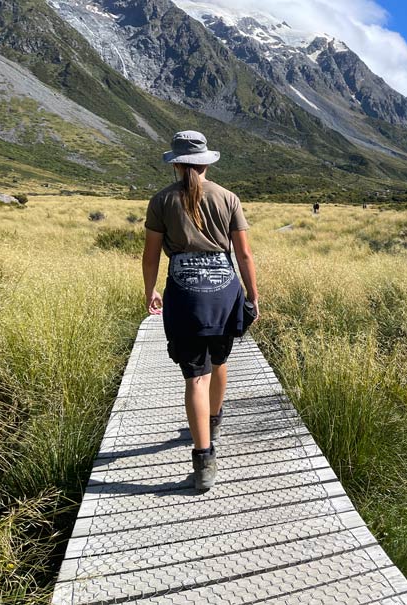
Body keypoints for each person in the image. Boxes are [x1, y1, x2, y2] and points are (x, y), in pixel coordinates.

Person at [142, 130, 259, 491]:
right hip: (225, 294)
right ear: (207, 161)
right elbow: (243, 255)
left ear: (176, 163)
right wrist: (253, 296)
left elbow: (150, 256)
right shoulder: (228, 198)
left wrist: (150, 292)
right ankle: (214, 418)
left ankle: (204, 460)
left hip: (184, 295)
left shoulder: (161, 201)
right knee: (220, 363)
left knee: (196, 376)